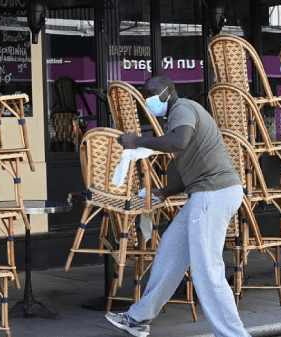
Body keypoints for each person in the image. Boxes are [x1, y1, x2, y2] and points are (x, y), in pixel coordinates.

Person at [104, 76, 248, 337]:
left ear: (169, 90)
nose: (148, 98)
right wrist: (167, 191)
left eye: (152, 92)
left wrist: (136, 141)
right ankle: (138, 319)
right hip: (207, 193)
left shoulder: (182, 108)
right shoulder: (181, 114)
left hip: (212, 194)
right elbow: (195, 165)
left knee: (208, 272)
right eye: (145, 94)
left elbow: (179, 141)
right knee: (169, 255)